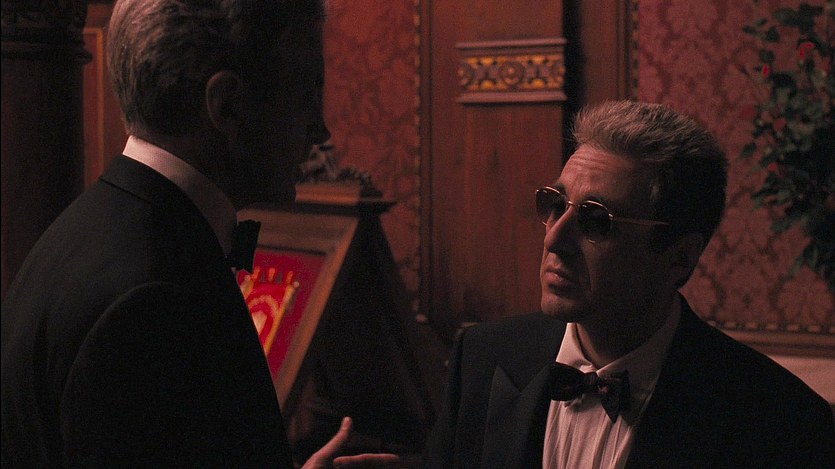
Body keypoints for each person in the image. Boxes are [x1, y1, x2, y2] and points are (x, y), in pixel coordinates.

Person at [1, 0, 399, 467]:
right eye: (304, 92)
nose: (320, 130)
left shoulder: (96, 227)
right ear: (227, 106)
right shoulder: (150, 307)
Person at [423, 100, 835, 468]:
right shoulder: (483, 358)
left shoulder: (778, 420)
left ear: (679, 258)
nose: (553, 239)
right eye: (555, 204)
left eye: (595, 220)